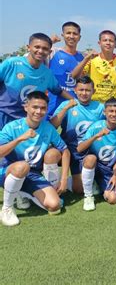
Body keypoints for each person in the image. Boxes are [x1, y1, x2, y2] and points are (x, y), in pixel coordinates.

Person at [0, 91, 71, 226]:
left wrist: (63, 179)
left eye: (43, 108)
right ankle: (7, 208)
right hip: (5, 170)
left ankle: (21, 191)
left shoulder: (48, 128)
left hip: (31, 174)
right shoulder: (12, 127)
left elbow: (65, 151)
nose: (39, 111)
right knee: (22, 166)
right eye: (35, 107)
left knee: (55, 205)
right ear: (26, 107)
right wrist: (20, 139)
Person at [0, 33, 73, 129]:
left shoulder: (47, 73)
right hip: (3, 117)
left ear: (50, 51)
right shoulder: (11, 63)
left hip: (27, 122)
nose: (40, 51)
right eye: (37, 47)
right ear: (28, 47)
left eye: (45, 49)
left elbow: (59, 91)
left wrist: (75, 101)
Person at [50, 76, 104, 194]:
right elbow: (52, 126)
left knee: (79, 190)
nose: (84, 93)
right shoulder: (67, 104)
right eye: (81, 90)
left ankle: (78, 179)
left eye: (87, 90)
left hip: (87, 151)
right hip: (68, 150)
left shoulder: (100, 108)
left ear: (93, 91)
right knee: (51, 155)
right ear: (75, 90)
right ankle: (51, 186)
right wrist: (65, 109)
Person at [77, 98, 116, 211]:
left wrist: (115, 175)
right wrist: (96, 136)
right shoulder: (96, 126)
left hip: (108, 169)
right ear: (104, 112)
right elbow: (79, 148)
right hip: (92, 164)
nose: (114, 114)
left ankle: (96, 182)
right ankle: (88, 196)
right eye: (110, 111)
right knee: (91, 158)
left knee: (113, 199)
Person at [72, 30, 116, 103]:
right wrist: (86, 58)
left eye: (111, 41)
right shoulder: (92, 60)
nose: (108, 43)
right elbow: (74, 76)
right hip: (94, 106)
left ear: (115, 45)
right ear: (99, 43)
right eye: (105, 40)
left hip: (112, 107)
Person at [47, 21, 84, 118]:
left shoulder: (83, 57)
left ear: (79, 37)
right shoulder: (52, 52)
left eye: (75, 34)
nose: (71, 36)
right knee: (47, 130)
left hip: (73, 102)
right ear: (62, 35)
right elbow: (32, 55)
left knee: (70, 132)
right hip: (53, 101)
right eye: (68, 33)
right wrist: (50, 41)